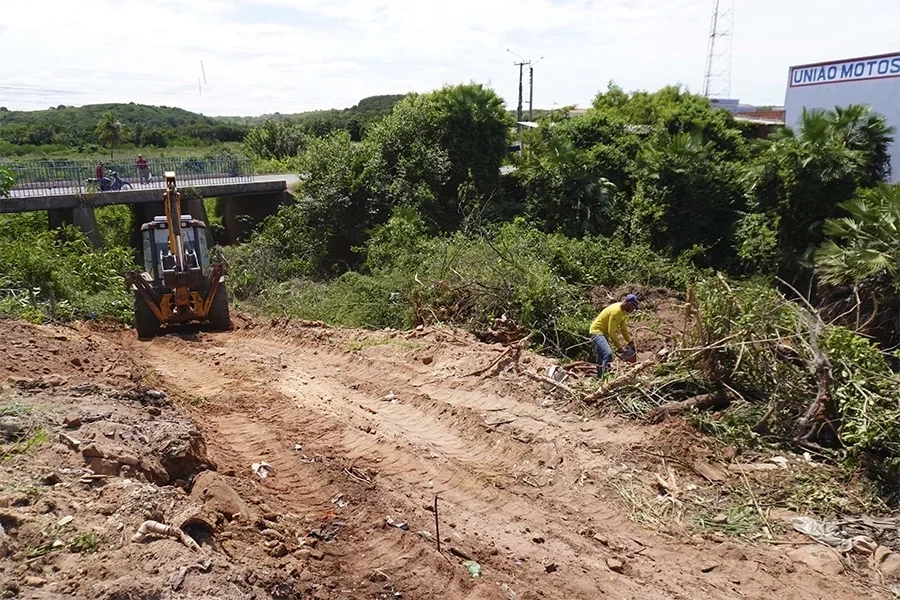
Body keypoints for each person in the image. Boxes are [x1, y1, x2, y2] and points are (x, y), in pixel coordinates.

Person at [589, 294, 639, 377]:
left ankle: (600, 376)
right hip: (596, 331)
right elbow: (611, 331)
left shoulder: (622, 312)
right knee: (608, 353)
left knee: (601, 355)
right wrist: (619, 347)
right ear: (629, 304)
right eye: (633, 307)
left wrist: (629, 341)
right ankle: (605, 378)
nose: (632, 310)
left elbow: (623, 328)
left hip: (603, 332)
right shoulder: (616, 311)